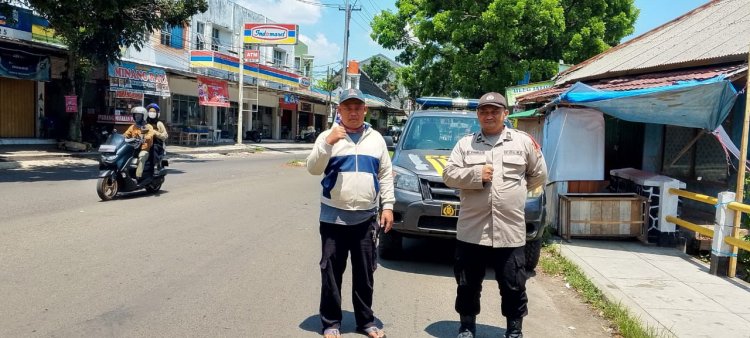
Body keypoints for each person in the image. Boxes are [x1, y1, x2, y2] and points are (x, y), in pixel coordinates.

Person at [443, 92, 547, 338]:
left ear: (505, 114)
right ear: (478, 115)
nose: (489, 115)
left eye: (494, 111)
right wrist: (477, 175)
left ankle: (514, 330)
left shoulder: (523, 142)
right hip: (472, 230)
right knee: (467, 283)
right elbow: (448, 175)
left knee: (513, 284)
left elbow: (539, 175)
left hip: (509, 230)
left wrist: (515, 192)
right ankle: (467, 327)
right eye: (484, 111)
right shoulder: (465, 144)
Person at [306, 88, 394, 338]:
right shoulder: (327, 136)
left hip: (366, 218)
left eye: (358, 107)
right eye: (348, 107)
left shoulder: (376, 139)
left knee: (365, 273)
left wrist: (387, 205)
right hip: (333, 217)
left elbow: (386, 174)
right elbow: (313, 168)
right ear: (340, 110)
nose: (353, 112)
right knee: (331, 273)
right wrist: (327, 142)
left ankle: (365, 322)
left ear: (365, 110)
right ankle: (331, 322)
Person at [123, 106, 155, 179]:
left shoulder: (148, 126)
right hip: (133, 148)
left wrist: (145, 137)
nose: (137, 116)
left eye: (139, 115)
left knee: (141, 157)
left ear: (144, 116)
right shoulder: (133, 127)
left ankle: (138, 176)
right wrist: (122, 137)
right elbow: (126, 134)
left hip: (144, 149)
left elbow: (150, 134)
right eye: (135, 115)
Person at [145, 103, 168, 169]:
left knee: (153, 148)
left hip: (156, 144)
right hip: (145, 143)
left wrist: (156, 133)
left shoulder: (159, 123)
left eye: (154, 111)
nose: (152, 113)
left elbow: (165, 136)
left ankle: (155, 165)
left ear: (157, 113)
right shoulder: (144, 123)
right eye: (150, 111)